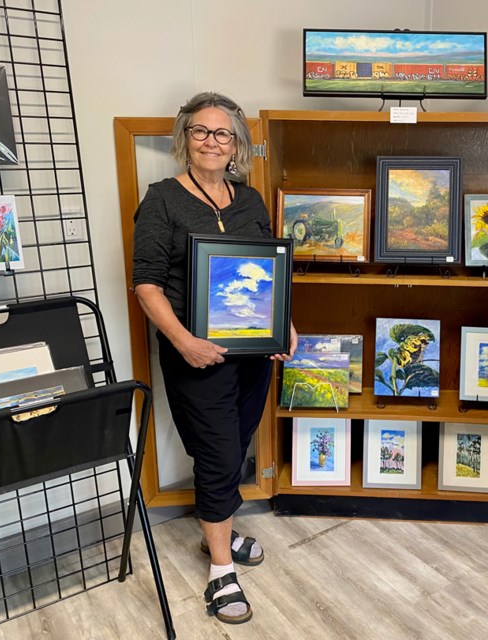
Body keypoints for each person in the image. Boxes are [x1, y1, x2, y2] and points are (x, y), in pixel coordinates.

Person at [131, 91, 297, 625]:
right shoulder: (161, 199)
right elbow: (146, 284)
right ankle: (221, 569)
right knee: (220, 451)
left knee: (235, 444)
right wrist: (183, 340)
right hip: (195, 356)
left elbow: (270, 270)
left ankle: (214, 532)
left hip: (251, 355)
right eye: (200, 131)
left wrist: (283, 324)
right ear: (185, 140)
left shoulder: (249, 200)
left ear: (236, 145)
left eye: (222, 133)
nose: (211, 141)